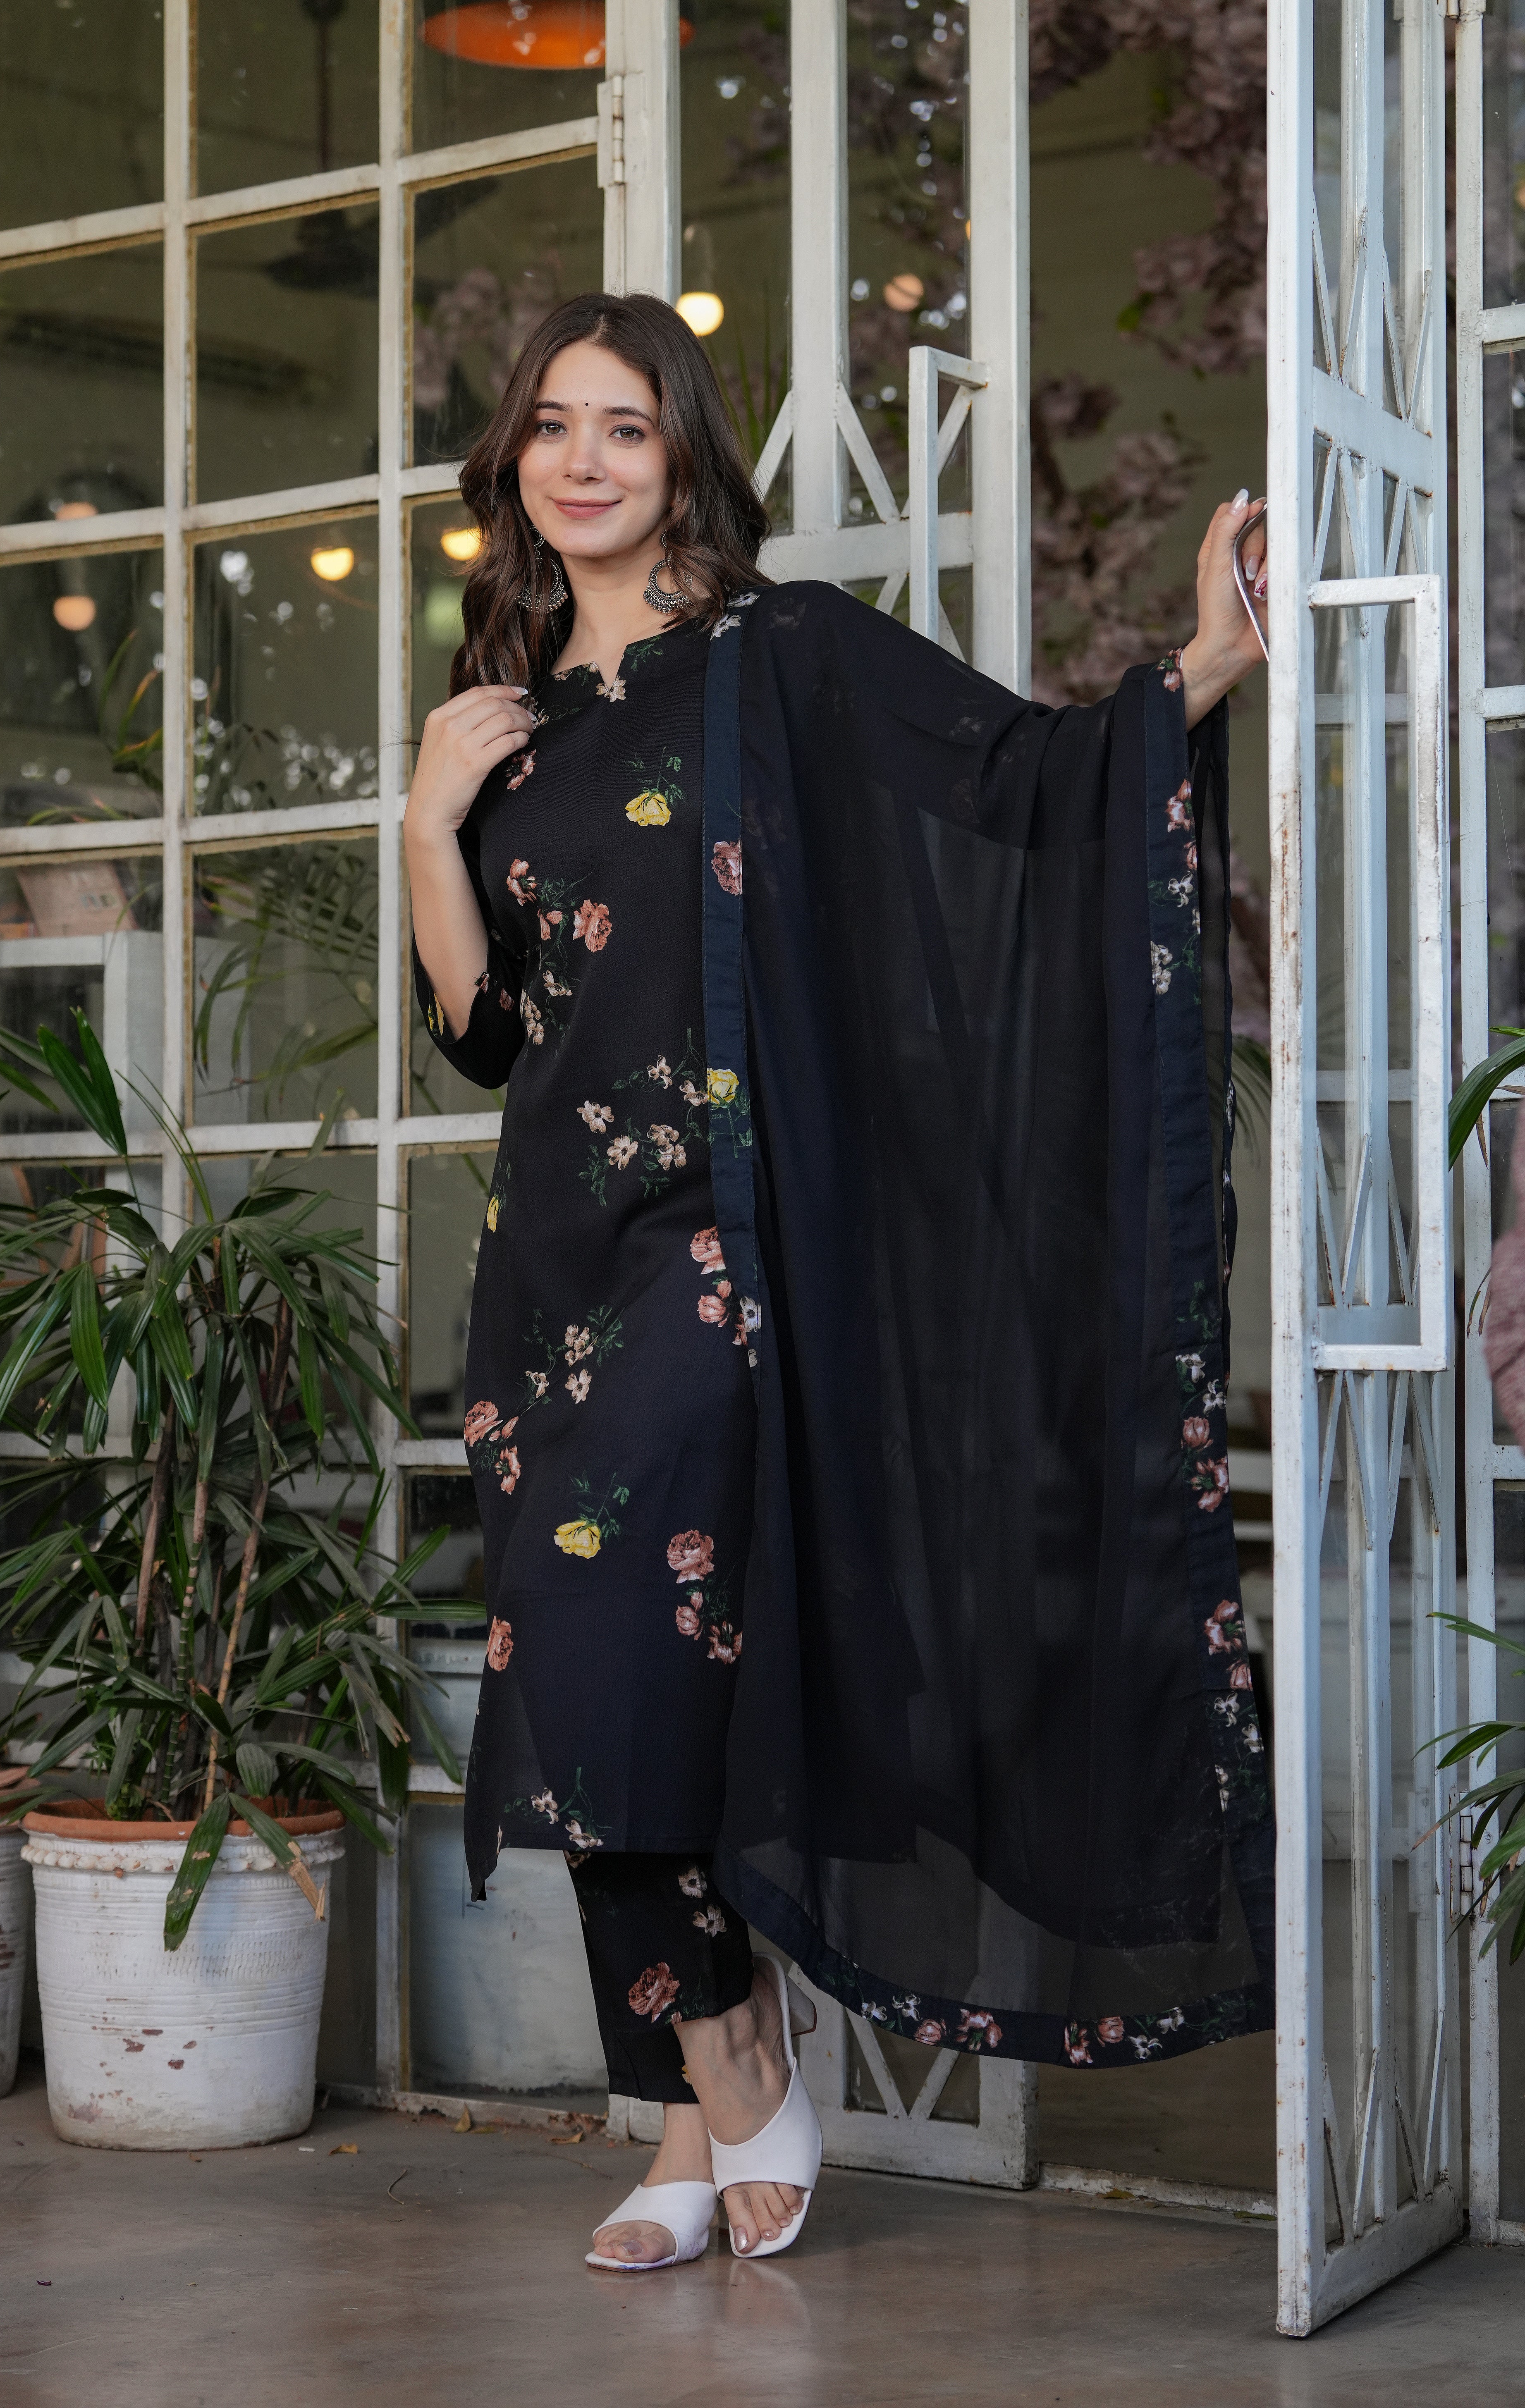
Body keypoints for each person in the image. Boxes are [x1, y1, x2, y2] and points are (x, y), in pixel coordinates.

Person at [406, 290, 1271, 2272]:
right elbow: (481, 1027)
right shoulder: (505, 718)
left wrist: (1203, 663)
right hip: (547, 1273)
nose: (583, 460)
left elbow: (1018, 786)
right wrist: (428, 817)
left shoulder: (775, 658)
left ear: (685, 449)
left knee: (639, 1671)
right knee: (579, 1702)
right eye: (551, 427)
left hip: (725, 1258)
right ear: (515, 466)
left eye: (623, 424)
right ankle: (702, 2128)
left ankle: (728, 2078)